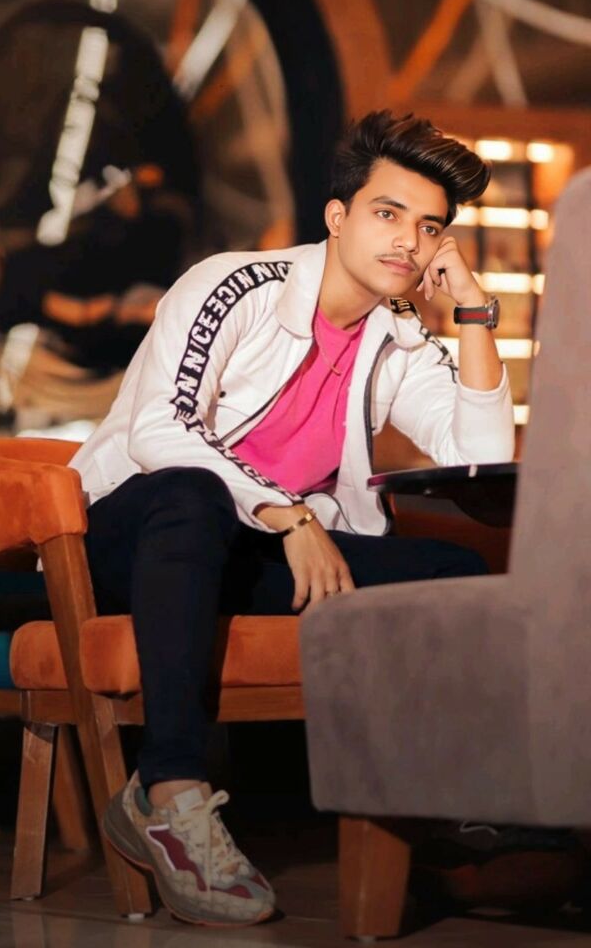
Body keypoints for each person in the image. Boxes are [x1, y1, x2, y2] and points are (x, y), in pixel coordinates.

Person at [70, 110, 515, 926]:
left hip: (245, 554)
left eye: (429, 227)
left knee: (456, 574)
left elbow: (475, 455)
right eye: (388, 213)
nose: (409, 242)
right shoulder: (236, 284)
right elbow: (161, 428)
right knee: (191, 495)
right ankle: (168, 792)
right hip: (134, 539)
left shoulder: (398, 341)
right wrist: (290, 516)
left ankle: (442, 811)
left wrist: (476, 314)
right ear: (337, 216)